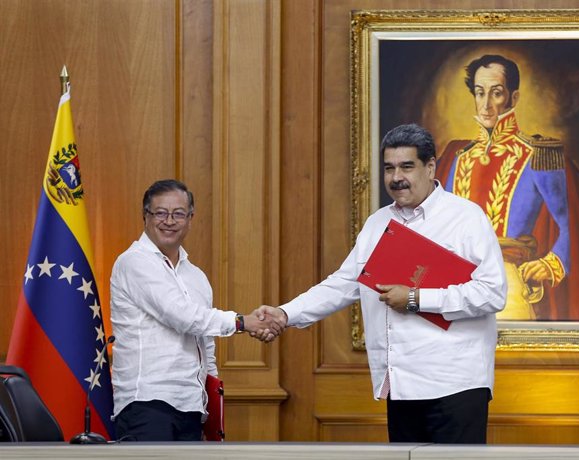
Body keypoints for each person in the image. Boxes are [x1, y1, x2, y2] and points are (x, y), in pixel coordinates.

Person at [260, 124, 507, 444]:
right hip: (401, 384)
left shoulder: (466, 217)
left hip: (455, 384)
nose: (396, 177)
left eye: (407, 166)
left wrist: (417, 298)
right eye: (389, 168)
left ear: (430, 167)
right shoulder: (378, 223)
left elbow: (492, 293)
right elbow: (343, 284)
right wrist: (284, 314)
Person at [110, 179, 283, 441]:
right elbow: (181, 316)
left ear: (190, 219)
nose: (169, 221)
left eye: (178, 213)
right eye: (160, 213)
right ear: (145, 216)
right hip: (147, 404)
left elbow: (205, 345)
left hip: (191, 406)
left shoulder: (196, 276)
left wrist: (211, 408)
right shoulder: (134, 262)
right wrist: (242, 322)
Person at [435, 54, 572, 320]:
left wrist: (551, 263)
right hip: (451, 283)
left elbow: (571, 225)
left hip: (506, 282)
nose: (485, 105)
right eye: (479, 93)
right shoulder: (456, 156)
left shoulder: (538, 155)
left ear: (514, 98)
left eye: (496, 93)